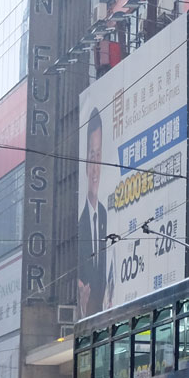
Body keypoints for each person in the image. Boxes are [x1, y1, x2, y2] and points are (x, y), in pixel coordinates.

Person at [77, 107, 114, 317]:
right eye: (92, 156)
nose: (95, 167)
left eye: (99, 156)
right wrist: (83, 307)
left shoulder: (105, 215)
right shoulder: (79, 225)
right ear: (85, 163)